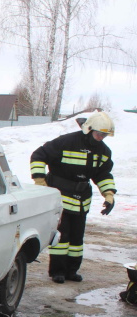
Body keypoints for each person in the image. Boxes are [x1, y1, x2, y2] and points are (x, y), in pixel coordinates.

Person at [30, 112, 116, 283]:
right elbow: (38, 156)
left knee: (77, 238)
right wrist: (40, 181)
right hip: (61, 195)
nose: (101, 138)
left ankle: (72, 270)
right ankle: (57, 271)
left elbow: (103, 174)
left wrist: (109, 195)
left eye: (104, 135)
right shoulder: (66, 141)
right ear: (89, 129)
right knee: (63, 236)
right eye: (99, 134)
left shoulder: (104, 151)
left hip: (82, 199)